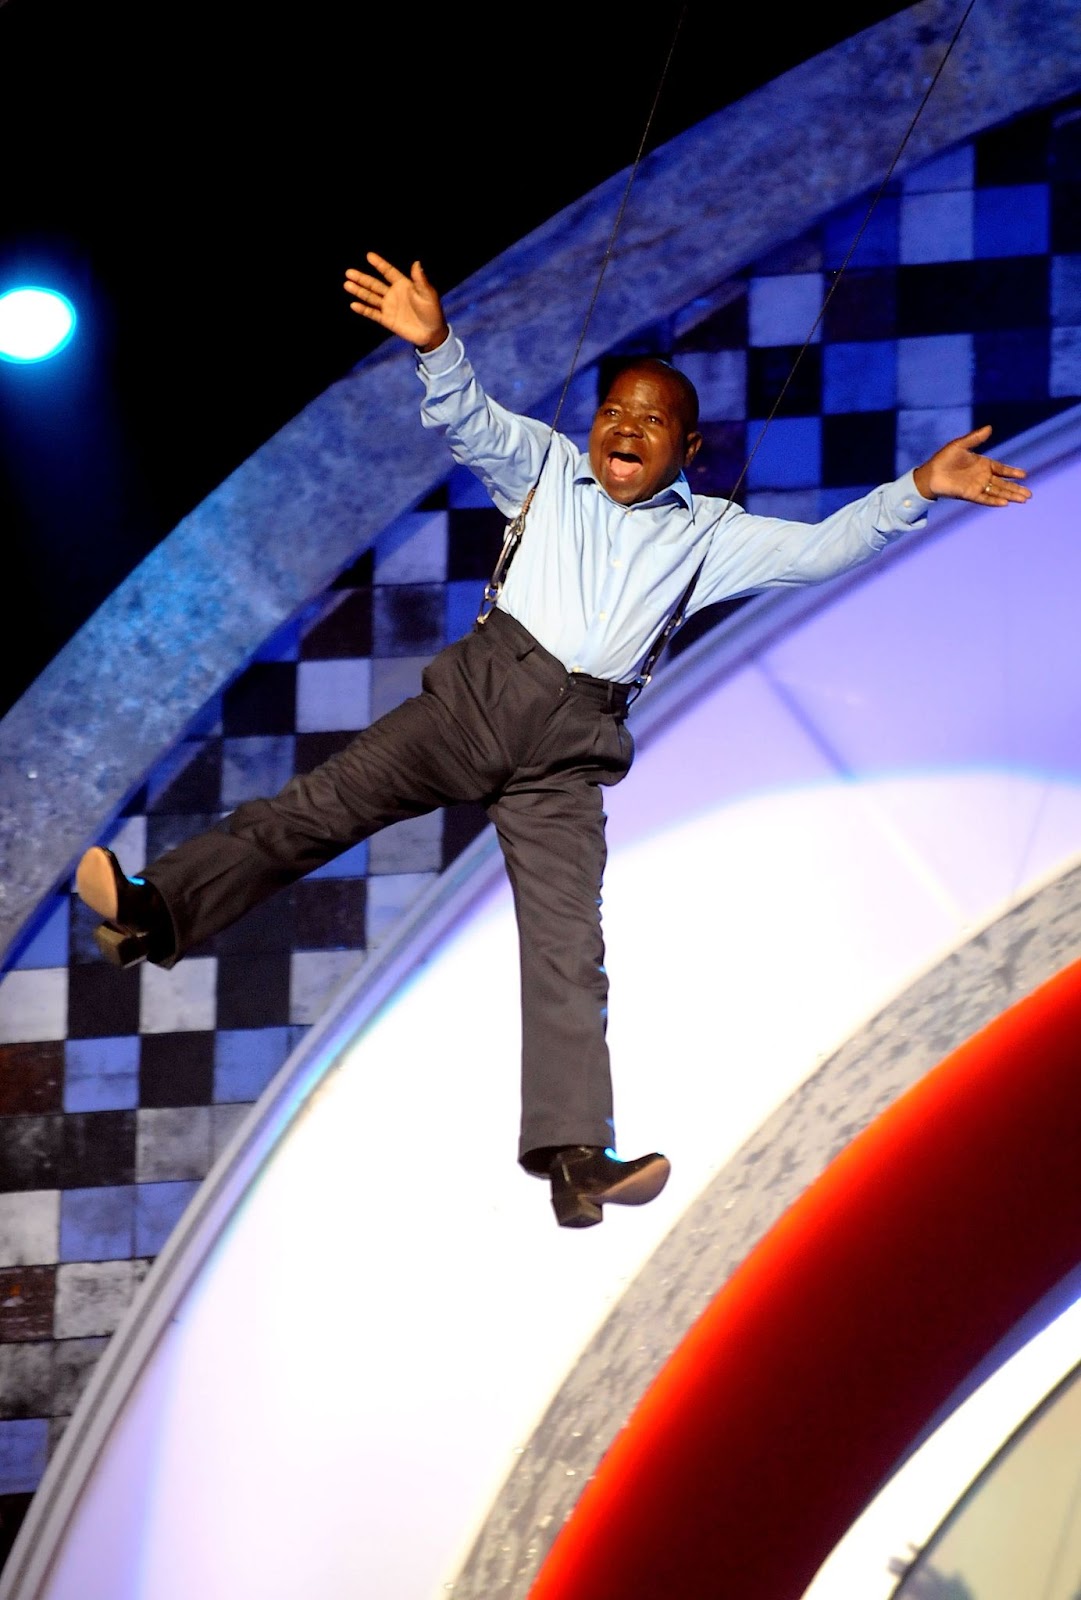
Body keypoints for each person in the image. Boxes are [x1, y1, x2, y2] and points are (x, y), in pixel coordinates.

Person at [75, 252, 1032, 1229]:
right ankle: (154, 912)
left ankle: (575, 1158)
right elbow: (469, 421)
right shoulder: (545, 470)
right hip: (477, 701)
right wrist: (438, 345)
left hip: (567, 754)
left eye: (650, 420)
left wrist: (916, 483)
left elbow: (826, 547)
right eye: (614, 410)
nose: (625, 428)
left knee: (569, 950)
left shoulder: (711, 534)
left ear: (688, 447)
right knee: (312, 811)